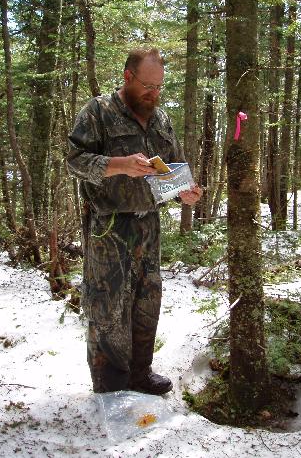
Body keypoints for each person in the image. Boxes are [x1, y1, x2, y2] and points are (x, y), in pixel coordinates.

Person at [67, 47, 202, 395]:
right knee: (107, 305)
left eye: (159, 87)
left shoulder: (161, 119)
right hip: (109, 226)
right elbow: (75, 160)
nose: (154, 94)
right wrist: (119, 164)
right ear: (128, 77)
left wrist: (185, 191)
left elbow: (173, 170)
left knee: (147, 300)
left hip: (149, 225)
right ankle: (110, 385)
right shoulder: (99, 110)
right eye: (147, 86)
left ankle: (140, 375)